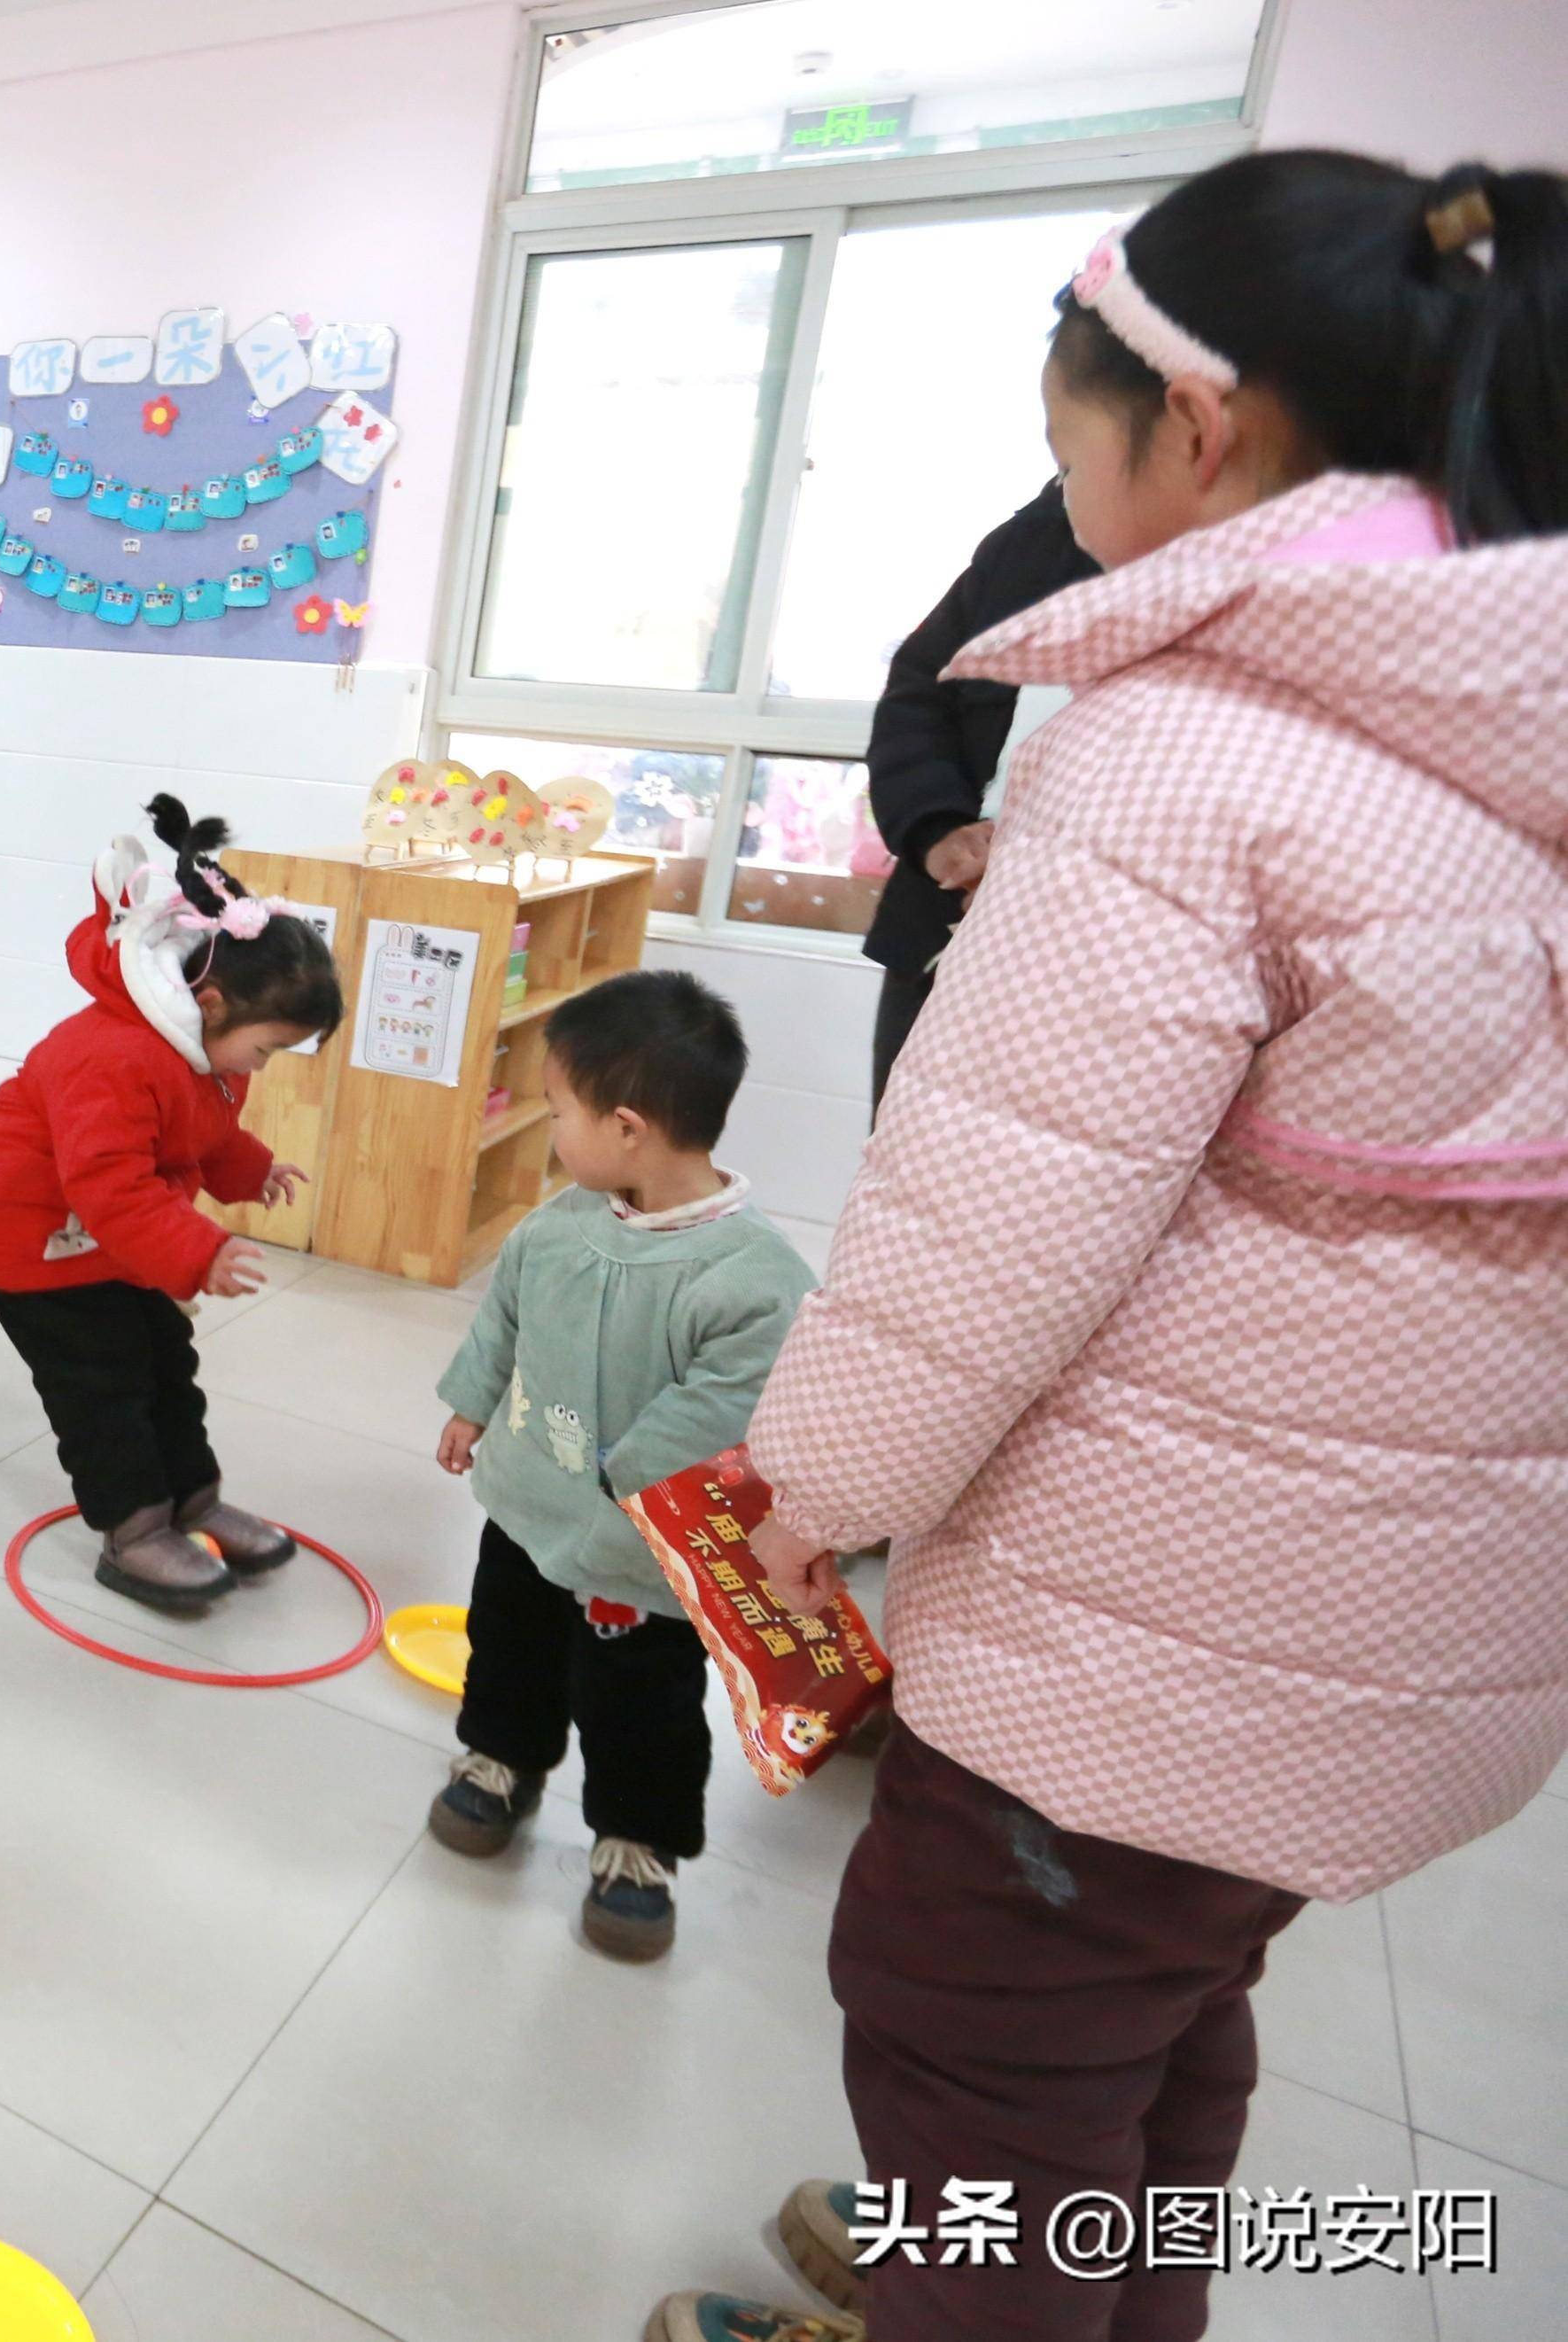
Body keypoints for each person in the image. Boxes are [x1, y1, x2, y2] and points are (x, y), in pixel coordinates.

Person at [656, 152, 1568, 2342]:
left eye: (1058, 410)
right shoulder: (1499, 714)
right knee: (1158, 2031)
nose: (1049, 462)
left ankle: (968, 2284)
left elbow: (987, 1227)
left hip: (1139, 1648)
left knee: (980, 2041)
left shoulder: (1194, 758)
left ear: (1198, 428)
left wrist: (805, 1504)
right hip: (1394, 1643)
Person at [428, 971, 815, 1963]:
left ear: (628, 1128)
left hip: (638, 1560)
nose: (550, 1128)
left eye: (558, 1110)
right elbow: (503, 1313)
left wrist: (622, 1471)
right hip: (524, 1508)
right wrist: (472, 1401)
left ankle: (633, 1841)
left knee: (638, 1704)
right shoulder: (560, 1223)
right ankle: (499, 1761)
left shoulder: (752, 1279)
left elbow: (728, 1403)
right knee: (507, 1647)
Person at [0, 796, 341, 1615]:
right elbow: (110, 1182)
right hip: (35, 1241)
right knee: (102, 1383)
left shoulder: (196, 1050)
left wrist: (251, 1170)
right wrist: (200, 1252)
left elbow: (199, 1132)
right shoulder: (113, 1056)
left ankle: (192, 1501)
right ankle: (133, 1529)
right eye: (267, 1049)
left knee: (165, 1361)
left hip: (109, 1237)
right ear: (218, 1002)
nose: (261, 1069)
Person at [859, 486, 1099, 1106]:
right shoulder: (1030, 538)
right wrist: (936, 830)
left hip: (1092, 955)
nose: (1065, 473)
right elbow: (917, 691)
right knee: (898, 1154)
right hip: (940, 924)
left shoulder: (1238, 556)